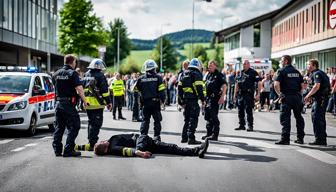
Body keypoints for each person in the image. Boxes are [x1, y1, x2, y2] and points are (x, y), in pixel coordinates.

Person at [52, 54, 87, 157]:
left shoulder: (56, 74)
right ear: (72, 62)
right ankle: (68, 149)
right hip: (68, 105)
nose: (75, 64)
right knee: (75, 125)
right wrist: (85, 101)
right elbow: (79, 89)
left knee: (59, 127)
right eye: (75, 62)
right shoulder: (72, 73)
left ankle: (57, 150)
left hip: (58, 104)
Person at [76, 58, 112, 151]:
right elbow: (104, 91)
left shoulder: (86, 74)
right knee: (96, 124)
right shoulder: (100, 75)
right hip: (97, 104)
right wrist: (109, 102)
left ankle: (90, 141)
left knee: (91, 122)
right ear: (100, 66)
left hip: (88, 104)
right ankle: (93, 143)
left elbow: (82, 88)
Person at [93, 133, 209, 159]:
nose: (103, 140)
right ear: (105, 149)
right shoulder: (113, 147)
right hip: (140, 142)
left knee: (172, 148)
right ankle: (198, 150)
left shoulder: (109, 142)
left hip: (146, 142)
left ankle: (198, 150)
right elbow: (126, 150)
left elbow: (91, 147)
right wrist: (140, 152)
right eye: (102, 143)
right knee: (170, 148)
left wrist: (76, 147)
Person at [274, 55, 305, 145]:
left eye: (281, 60)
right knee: (299, 117)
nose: (280, 62)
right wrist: (299, 94)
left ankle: (285, 139)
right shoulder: (297, 71)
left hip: (286, 97)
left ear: (286, 61)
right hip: (297, 97)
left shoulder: (281, 71)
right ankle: (300, 138)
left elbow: (276, 85)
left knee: (285, 118)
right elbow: (302, 86)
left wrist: (280, 95)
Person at [135, 60, 166, 141]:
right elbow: (162, 91)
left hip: (145, 103)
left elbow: (135, 89)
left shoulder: (141, 78)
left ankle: (143, 137)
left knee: (145, 120)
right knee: (157, 121)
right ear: (153, 68)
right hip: (155, 103)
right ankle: (156, 137)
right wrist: (163, 101)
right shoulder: (158, 77)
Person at [178, 58, 205, 144]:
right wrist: (203, 99)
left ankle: (184, 137)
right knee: (193, 118)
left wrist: (181, 101)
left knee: (187, 119)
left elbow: (179, 88)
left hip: (186, 100)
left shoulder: (184, 73)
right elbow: (199, 88)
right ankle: (191, 138)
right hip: (193, 100)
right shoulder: (196, 74)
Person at [304, 59, 331, 146]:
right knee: (317, 117)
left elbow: (317, 86)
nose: (307, 66)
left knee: (317, 118)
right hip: (318, 99)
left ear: (313, 65)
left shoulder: (317, 73)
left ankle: (320, 139)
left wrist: (308, 95)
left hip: (321, 99)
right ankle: (321, 136)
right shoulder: (313, 73)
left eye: (308, 65)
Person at [202, 60, 227, 141]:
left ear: (215, 66)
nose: (209, 67)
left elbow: (224, 86)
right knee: (208, 117)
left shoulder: (219, 75)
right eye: (209, 65)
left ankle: (215, 134)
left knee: (213, 117)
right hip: (208, 98)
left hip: (214, 99)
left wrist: (223, 96)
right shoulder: (208, 75)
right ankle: (209, 133)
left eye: (211, 65)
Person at [234, 60, 261, 132]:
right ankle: (241, 125)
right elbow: (237, 84)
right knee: (240, 111)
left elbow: (259, 82)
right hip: (240, 94)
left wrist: (258, 93)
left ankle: (250, 126)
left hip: (248, 94)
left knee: (248, 111)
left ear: (249, 64)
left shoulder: (253, 72)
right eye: (243, 64)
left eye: (245, 64)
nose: (244, 65)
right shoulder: (240, 72)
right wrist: (234, 94)